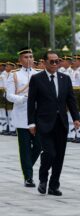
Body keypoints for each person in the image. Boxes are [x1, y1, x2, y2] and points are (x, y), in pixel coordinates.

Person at [27, 51, 80, 196]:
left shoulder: (65, 78)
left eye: (57, 61)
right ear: (44, 62)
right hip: (43, 122)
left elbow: (71, 100)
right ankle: (43, 178)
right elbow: (31, 103)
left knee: (59, 155)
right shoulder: (37, 79)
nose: (55, 64)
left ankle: (54, 185)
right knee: (49, 152)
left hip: (61, 123)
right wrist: (31, 123)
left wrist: (76, 118)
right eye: (52, 61)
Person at [6, 48, 42, 187]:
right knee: (25, 148)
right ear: (20, 60)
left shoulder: (39, 74)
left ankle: (27, 167)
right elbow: (9, 96)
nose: (29, 59)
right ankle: (28, 176)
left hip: (37, 116)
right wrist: (24, 98)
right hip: (22, 116)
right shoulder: (14, 75)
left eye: (31, 56)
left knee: (39, 146)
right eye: (26, 57)